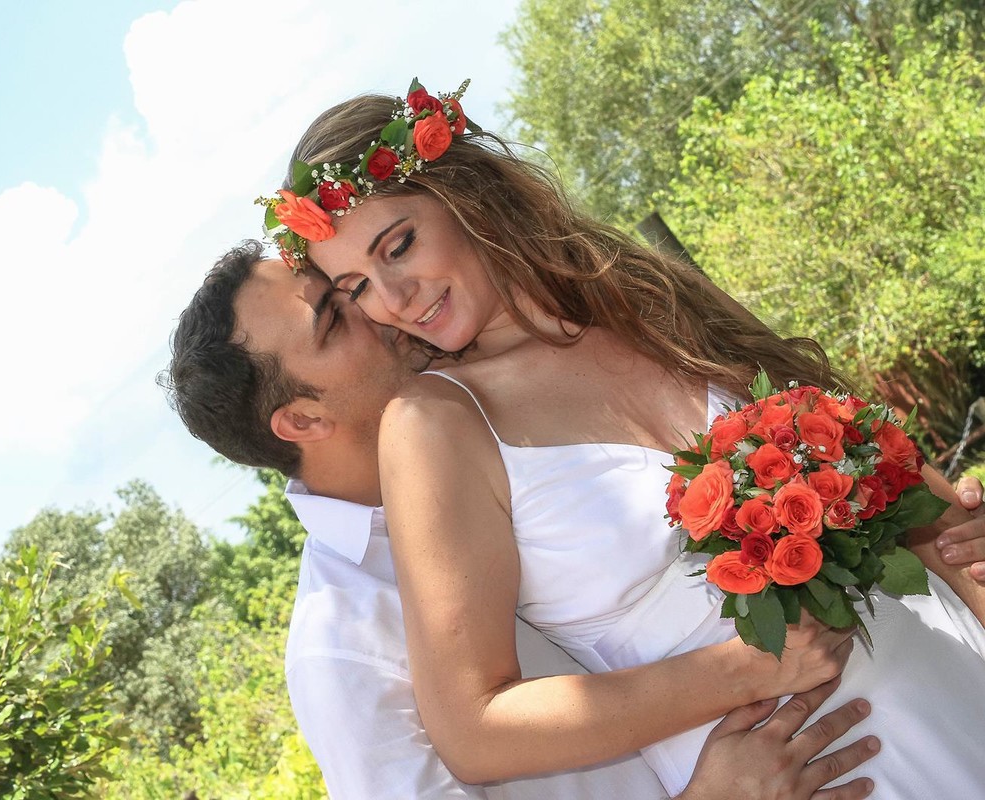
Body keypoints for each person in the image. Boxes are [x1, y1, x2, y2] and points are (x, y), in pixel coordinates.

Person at [263, 80, 985, 797]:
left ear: (465, 196)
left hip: (953, 677)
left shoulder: (639, 295)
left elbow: (862, 448)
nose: (394, 301)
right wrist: (752, 666)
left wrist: (962, 538)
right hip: (825, 773)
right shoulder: (434, 425)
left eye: (399, 246)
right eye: (355, 288)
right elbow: (472, 730)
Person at [164, 242, 894, 799]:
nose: (378, 307)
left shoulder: (504, 433)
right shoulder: (338, 651)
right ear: (302, 418)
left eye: (347, 288)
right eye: (335, 317)